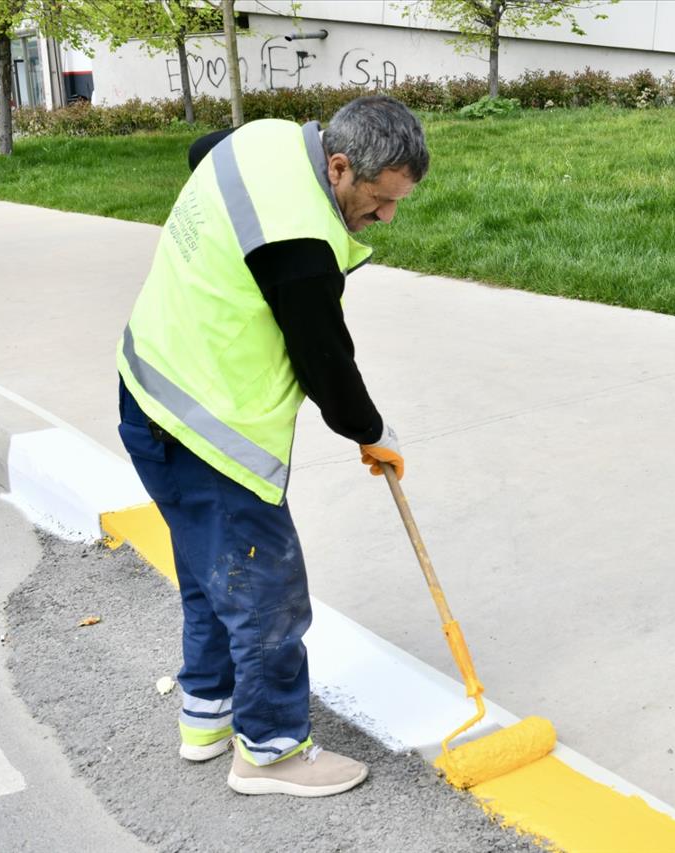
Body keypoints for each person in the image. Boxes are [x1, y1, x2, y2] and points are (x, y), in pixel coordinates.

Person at [116, 95, 427, 798]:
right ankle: (271, 749)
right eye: (379, 201)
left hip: (146, 386)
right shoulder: (300, 247)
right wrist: (372, 432)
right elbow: (326, 364)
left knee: (209, 569)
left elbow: (203, 151)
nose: (386, 218)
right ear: (340, 166)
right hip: (209, 428)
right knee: (267, 590)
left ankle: (207, 716)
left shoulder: (266, 139)